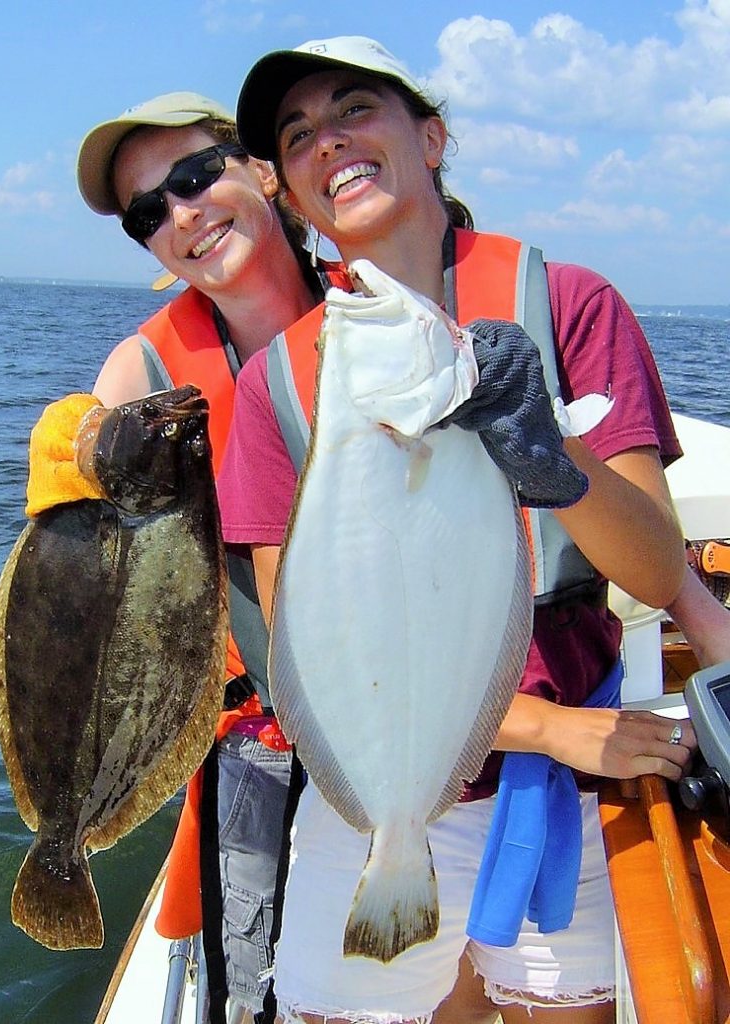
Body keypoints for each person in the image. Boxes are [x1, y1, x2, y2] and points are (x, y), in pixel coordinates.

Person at [215, 35, 700, 1024]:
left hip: (567, 785)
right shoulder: (275, 386)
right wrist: (547, 729)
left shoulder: (568, 304)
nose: (327, 142)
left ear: (428, 135)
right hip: (397, 792)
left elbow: (654, 572)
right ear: (292, 196)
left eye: (356, 109)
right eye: (297, 134)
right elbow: (295, 650)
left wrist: (552, 468)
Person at [24, 91, 350, 1020]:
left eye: (197, 175)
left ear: (263, 172)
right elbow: (68, 577)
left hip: (412, 716)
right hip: (260, 742)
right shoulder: (144, 375)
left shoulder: (377, 309)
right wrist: (67, 446)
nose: (182, 214)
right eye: (147, 215)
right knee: (261, 991)